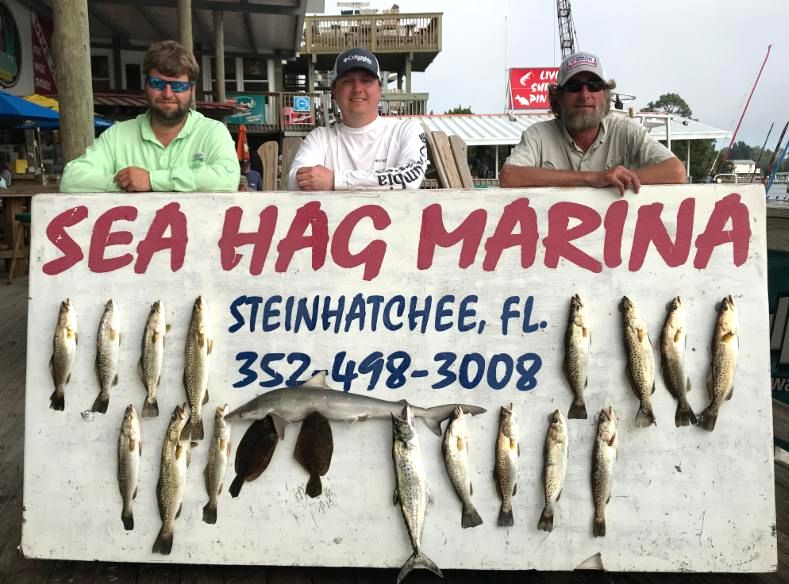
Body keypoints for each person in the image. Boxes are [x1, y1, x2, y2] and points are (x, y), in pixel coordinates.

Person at [60, 40, 239, 193]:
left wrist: (152, 180)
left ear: (192, 90)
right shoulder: (117, 135)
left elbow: (228, 178)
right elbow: (71, 179)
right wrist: (128, 183)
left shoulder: (212, 132)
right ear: (145, 85)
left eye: (177, 86)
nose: (167, 94)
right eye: (157, 83)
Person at [499, 52, 686, 195]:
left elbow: (676, 172)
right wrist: (594, 178)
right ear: (558, 97)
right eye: (574, 87)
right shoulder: (538, 135)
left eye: (594, 85)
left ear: (605, 95)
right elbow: (509, 176)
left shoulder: (627, 130)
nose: (584, 95)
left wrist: (618, 179)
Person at [288, 48, 427, 191]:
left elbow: (411, 177)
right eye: (347, 81)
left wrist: (335, 181)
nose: (357, 89)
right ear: (334, 91)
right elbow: (295, 181)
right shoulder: (319, 137)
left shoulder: (407, 129)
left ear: (380, 90)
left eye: (366, 81)